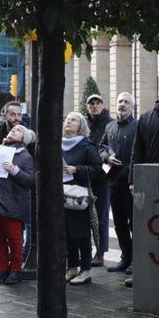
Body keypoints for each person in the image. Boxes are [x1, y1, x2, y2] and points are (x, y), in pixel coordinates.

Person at [0, 125, 35, 285]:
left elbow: (30, 181)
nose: (14, 130)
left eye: (18, 130)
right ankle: (2, 269)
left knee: (14, 239)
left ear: (24, 139)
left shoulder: (25, 156)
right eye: (13, 129)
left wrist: (14, 170)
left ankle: (15, 270)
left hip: (13, 204)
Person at [62, 111, 103, 286]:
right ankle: (72, 267)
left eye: (74, 120)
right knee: (66, 233)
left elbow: (97, 169)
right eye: (68, 119)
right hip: (62, 194)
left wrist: (77, 169)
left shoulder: (87, 146)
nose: (69, 122)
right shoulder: (59, 144)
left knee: (81, 234)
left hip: (78, 196)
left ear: (81, 126)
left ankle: (85, 270)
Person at [100, 92, 138, 273]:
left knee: (134, 223)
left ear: (132, 107)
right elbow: (101, 147)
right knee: (120, 223)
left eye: (126, 102)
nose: (122, 104)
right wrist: (107, 158)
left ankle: (136, 260)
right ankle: (126, 257)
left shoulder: (138, 127)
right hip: (114, 182)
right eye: (120, 101)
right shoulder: (109, 127)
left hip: (132, 183)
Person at [84, 93, 112, 267]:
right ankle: (85, 250)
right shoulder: (84, 123)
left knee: (101, 217)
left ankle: (100, 252)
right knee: (84, 216)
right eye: (91, 103)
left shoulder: (110, 124)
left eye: (97, 103)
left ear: (102, 105)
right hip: (85, 175)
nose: (94, 106)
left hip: (102, 177)